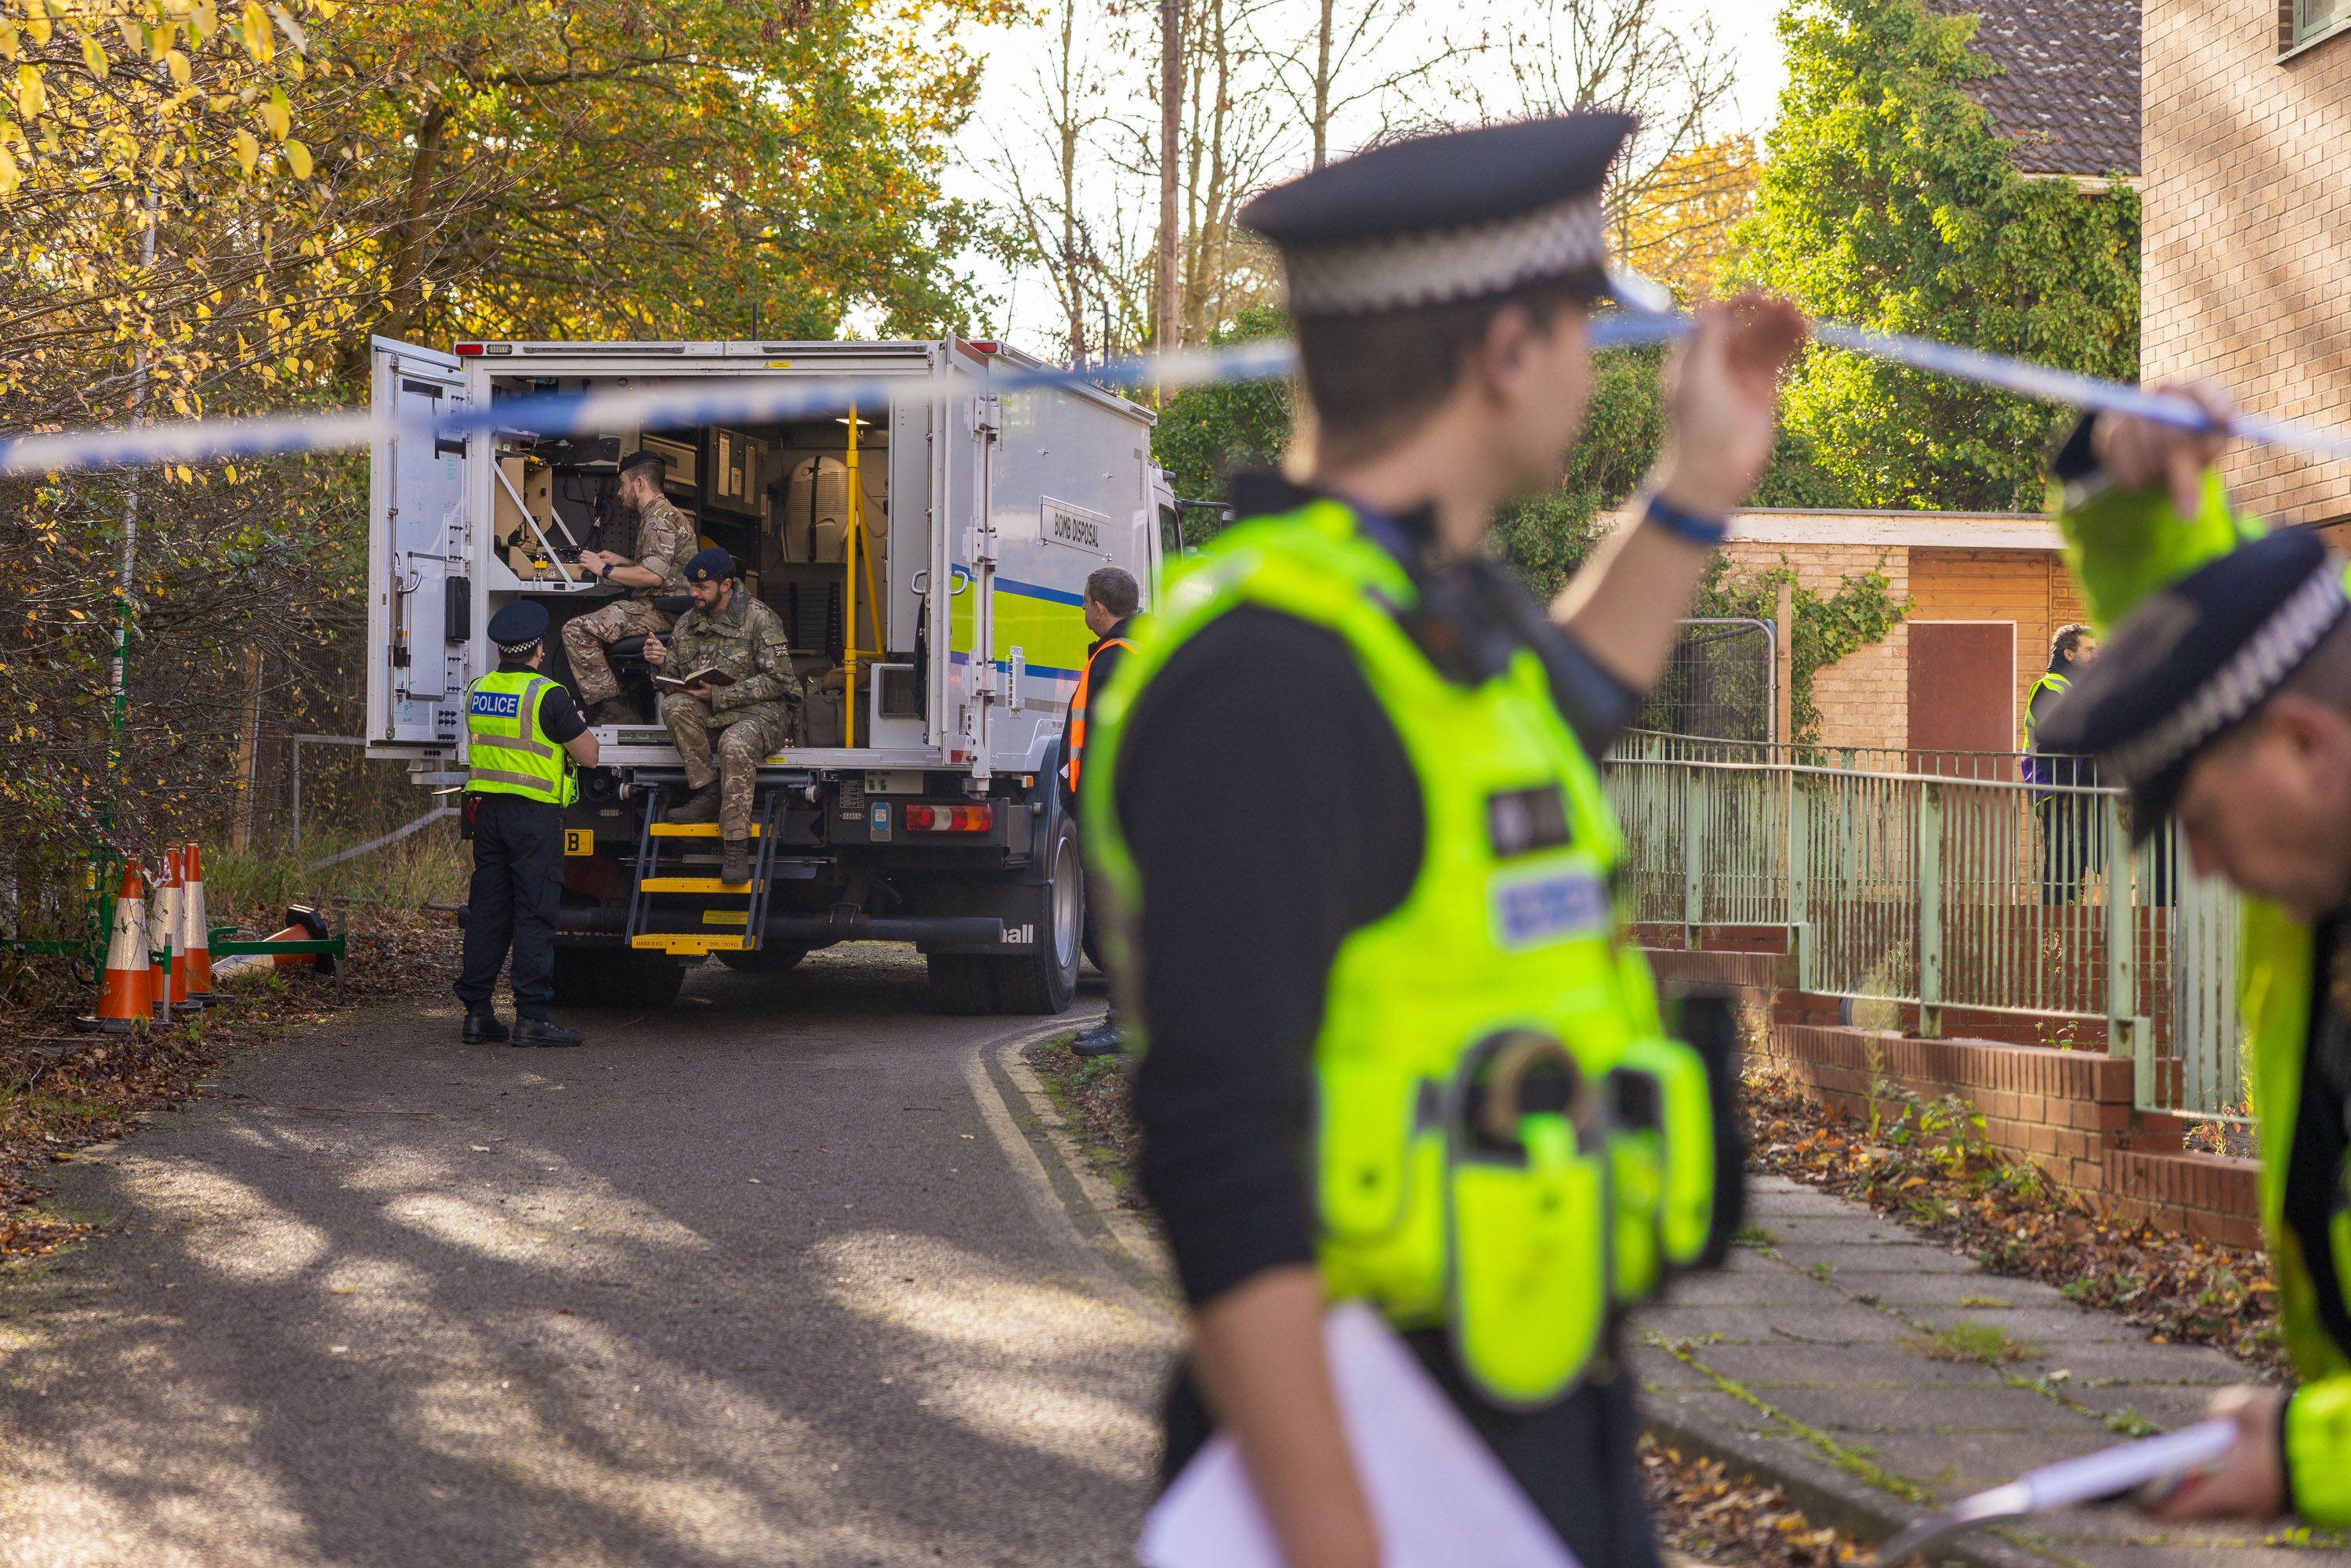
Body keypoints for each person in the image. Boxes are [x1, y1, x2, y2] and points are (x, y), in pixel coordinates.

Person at [1081, 114, 1804, 1568]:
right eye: (1578, 328)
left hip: (1514, 1430)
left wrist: (1701, 481)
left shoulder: (1404, 613)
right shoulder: (1273, 675)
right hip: (1370, 1468)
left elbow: (1556, 713)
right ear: (1502, 353)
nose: (1591, 369)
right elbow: (1220, 1161)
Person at [2034, 393, 2351, 1534]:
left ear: (2308, 752)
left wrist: (2310, 1457)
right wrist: (2131, 501)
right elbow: (2224, 639)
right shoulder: (2323, 833)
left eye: (2203, 820)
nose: (2204, 868)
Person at [455, 600, 599, 1047]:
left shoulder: (477, 689)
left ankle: (478, 1016)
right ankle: (532, 1019)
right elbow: (589, 755)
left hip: (489, 813)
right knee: (534, 914)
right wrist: (576, 722)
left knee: (488, 914)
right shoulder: (548, 694)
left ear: (502, 649)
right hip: (533, 817)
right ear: (538, 648)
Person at [646, 546, 802, 886]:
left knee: (734, 743)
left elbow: (781, 680)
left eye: (701, 588)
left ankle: (735, 846)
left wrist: (721, 694)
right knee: (673, 707)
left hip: (762, 715)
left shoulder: (760, 619)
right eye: (692, 586)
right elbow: (673, 682)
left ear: (726, 585)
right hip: (713, 711)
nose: (694, 594)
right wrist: (658, 663)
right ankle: (707, 791)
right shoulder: (688, 622)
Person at [1061, 565, 1140, 1059]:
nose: (1083, 608)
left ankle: (1125, 1023)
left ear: (1101, 608)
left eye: (1085, 601)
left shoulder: (1114, 661)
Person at [564, 449, 699, 724]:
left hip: (661, 611)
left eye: (623, 484)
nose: (618, 493)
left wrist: (606, 570)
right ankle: (626, 703)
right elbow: (664, 568)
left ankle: (616, 712)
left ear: (639, 483)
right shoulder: (664, 513)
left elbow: (653, 577)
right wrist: (622, 562)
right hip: (664, 606)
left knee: (576, 630)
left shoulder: (657, 519)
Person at [2024, 623, 2103, 903]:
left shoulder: (2078, 688)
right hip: (2054, 786)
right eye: (2089, 650)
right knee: (2060, 860)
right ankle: (2054, 931)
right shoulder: (2050, 687)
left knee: (2075, 858)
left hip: (2075, 785)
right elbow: (2055, 737)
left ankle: (2070, 919)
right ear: (2069, 655)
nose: (2096, 655)